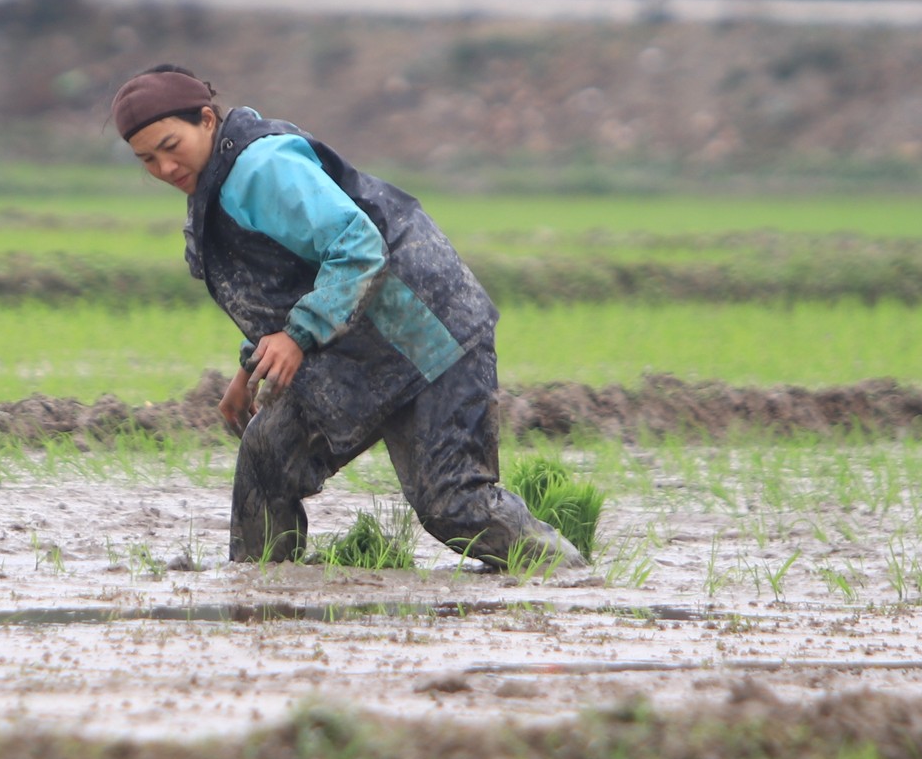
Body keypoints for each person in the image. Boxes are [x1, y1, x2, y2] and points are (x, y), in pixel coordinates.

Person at [110, 64, 586, 572]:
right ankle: (262, 593)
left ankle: (572, 581)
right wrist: (252, 366)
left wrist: (297, 336)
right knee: (267, 458)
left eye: (169, 145)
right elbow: (283, 281)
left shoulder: (262, 169)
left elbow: (358, 247)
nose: (164, 167)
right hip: (353, 348)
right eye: (147, 159)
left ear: (206, 120)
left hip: (424, 336)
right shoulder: (219, 184)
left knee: (454, 505)